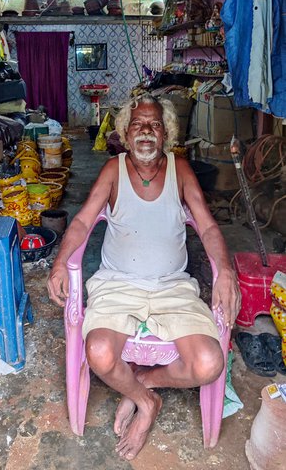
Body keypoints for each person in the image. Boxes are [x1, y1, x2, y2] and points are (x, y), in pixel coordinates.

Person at [47, 92, 241, 461]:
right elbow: (85, 220)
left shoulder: (180, 169)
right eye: (137, 124)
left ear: (165, 133)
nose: (146, 131)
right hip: (118, 285)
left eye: (154, 124)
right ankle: (147, 403)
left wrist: (226, 272)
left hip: (171, 288)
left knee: (209, 364)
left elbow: (208, 227)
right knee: (100, 353)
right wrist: (59, 262)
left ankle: (143, 384)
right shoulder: (113, 170)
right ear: (125, 131)